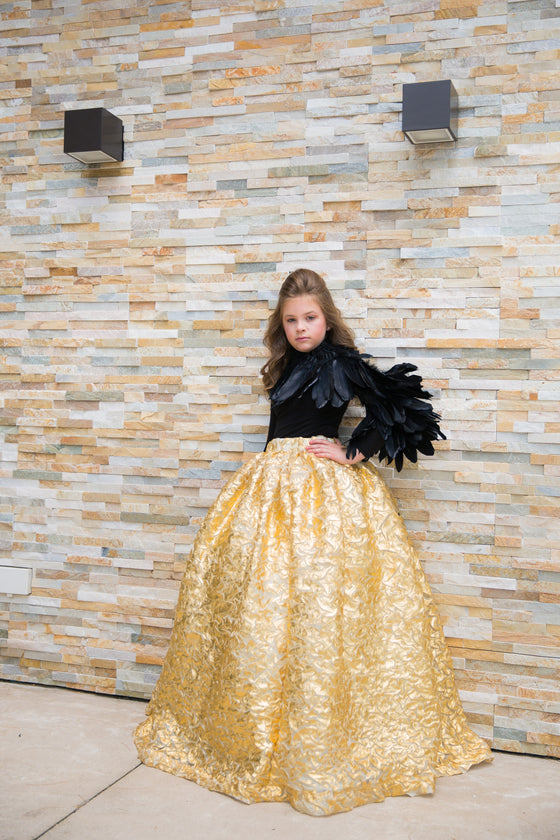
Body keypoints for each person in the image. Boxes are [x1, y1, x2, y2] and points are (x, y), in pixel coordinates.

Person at [134, 268, 491, 816]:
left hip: (320, 494)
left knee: (320, 601)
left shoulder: (342, 361)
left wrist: (353, 451)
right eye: (292, 320)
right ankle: (257, 725)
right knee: (262, 601)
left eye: (311, 318)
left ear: (327, 318)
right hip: (268, 489)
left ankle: (322, 728)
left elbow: (406, 408)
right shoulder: (285, 365)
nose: (302, 328)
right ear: (282, 324)